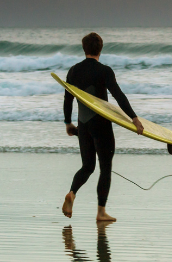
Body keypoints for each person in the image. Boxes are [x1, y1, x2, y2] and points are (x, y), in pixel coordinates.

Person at [61, 32, 145, 223]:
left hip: (83, 123)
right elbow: (118, 95)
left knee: (87, 166)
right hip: (101, 125)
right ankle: (101, 212)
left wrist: (68, 122)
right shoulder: (105, 71)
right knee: (105, 168)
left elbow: (68, 99)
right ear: (100, 49)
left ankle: (72, 193)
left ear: (84, 49)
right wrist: (134, 118)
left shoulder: (73, 71)